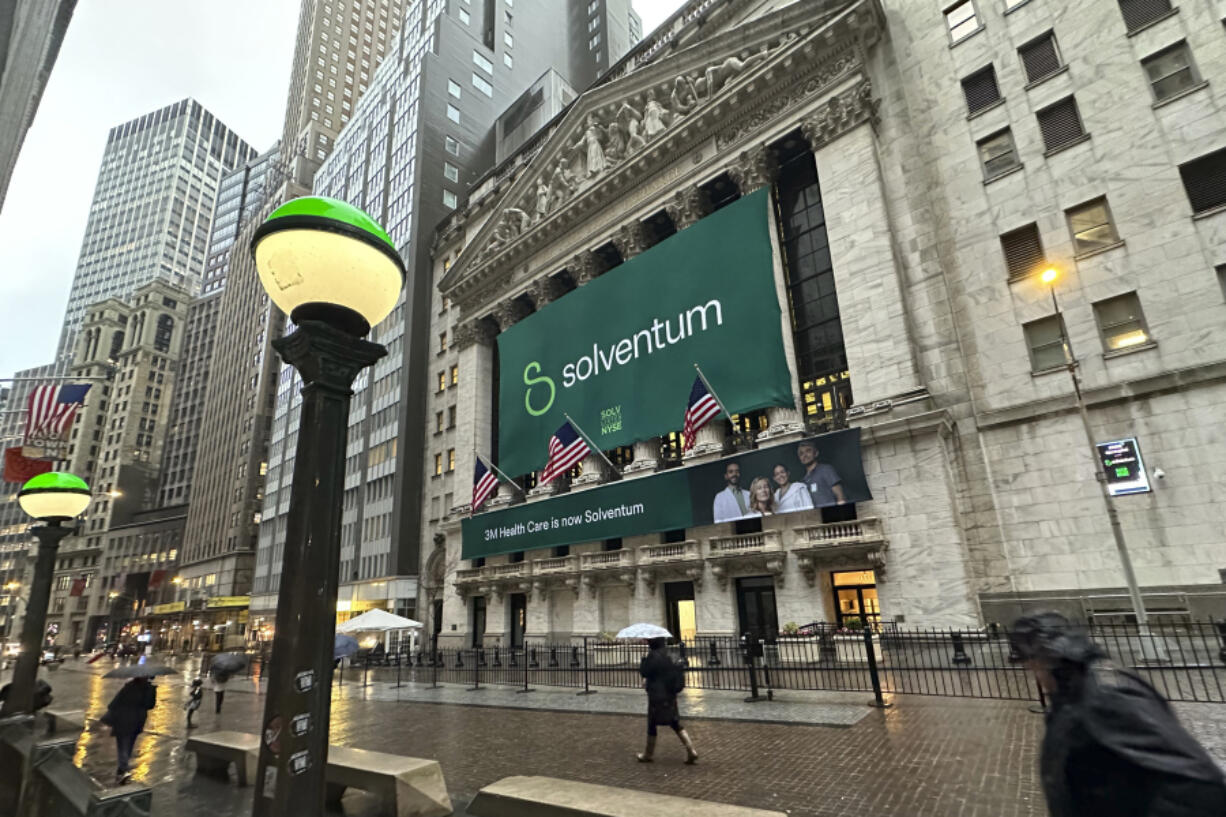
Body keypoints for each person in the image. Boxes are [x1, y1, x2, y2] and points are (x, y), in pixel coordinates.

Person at [1011, 613, 1226, 817]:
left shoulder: (1105, 694)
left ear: (1047, 658)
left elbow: (1194, 780)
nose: (1034, 675)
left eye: (1032, 666)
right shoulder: (1071, 693)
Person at [636, 637, 697, 764]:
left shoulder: (653, 657)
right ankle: (691, 749)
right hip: (670, 694)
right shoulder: (670, 655)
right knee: (675, 722)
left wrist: (643, 661)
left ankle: (648, 754)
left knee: (652, 724)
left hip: (656, 694)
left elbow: (645, 672)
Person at [101, 675, 156, 785]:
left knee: (122, 745)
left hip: (123, 719)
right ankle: (123, 767)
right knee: (129, 744)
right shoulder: (150, 689)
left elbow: (113, 703)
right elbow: (150, 705)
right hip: (138, 720)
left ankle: (123, 769)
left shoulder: (129, 687)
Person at [796, 441, 845, 507]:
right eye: (801, 453)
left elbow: (840, 496)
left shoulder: (826, 469)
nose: (805, 455)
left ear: (816, 453)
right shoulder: (802, 481)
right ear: (800, 459)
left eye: (808, 451)